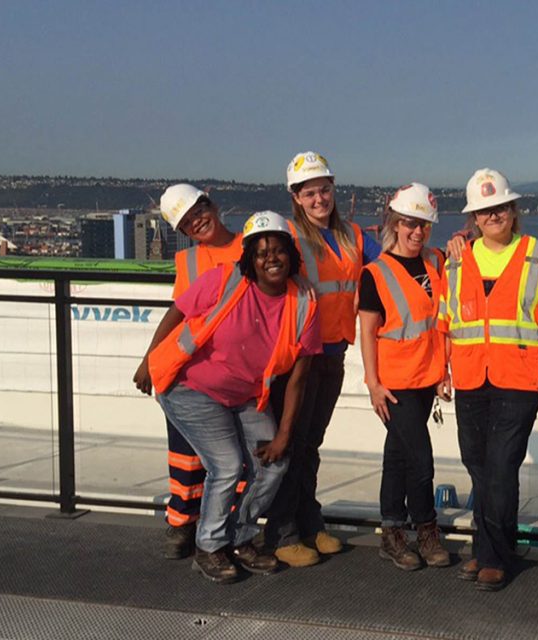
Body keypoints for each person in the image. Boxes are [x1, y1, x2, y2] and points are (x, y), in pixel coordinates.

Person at [147, 211, 321, 583]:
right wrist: (149, 360)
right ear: (249, 259)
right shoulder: (225, 280)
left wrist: (284, 435)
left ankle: (239, 538)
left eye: (278, 250)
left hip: (242, 395)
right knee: (227, 465)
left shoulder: (303, 301)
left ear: (291, 254)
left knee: (274, 464)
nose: (270, 258)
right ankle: (208, 546)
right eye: (261, 252)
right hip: (189, 387)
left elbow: (298, 378)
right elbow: (178, 311)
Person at [438, 168, 538, 591]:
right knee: (477, 462)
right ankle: (492, 547)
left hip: (520, 377)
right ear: (474, 218)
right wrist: (443, 371)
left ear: (513, 211)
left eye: (500, 208)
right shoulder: (457, 259)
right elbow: (446, 320)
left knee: (499, 465)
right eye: (484, 210)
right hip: (472, 375)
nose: (493, 216)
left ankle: (492, 557)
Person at [262, 151, 382, 568]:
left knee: (310, 444)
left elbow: (392, 266)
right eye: (310, 192)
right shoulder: (288, 237)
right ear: (296, 197)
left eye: (325, 190)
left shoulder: (352, 236)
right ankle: (281, 532)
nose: (320, 199)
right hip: (297, 357)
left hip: (333, 352)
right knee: (291, 443)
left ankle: (309, 522)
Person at [133, 183, 243, 560]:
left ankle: (228, 527)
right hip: (192, 371)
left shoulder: (253, 245)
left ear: (212, 205)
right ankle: (182, 522)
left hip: (238, 371)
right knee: (186, 454)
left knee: (234, 455)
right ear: (181, 232)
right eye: (186, 223)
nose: (197, 222)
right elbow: (180, 315)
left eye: (199, 211)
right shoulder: (188, 263)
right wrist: (152, 360)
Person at [358, 182, 452, 571]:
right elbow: (367, 331)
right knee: (420, 458)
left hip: (426, 376)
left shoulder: (433, 261)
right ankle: (426, 530)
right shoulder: (375, 273)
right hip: (394, 383)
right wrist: (373, 383)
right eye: (410, 224)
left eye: (425, 225)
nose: (417, 232)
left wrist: (443, 371)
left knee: (397, 456)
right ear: (394, 223)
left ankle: (392, 531)